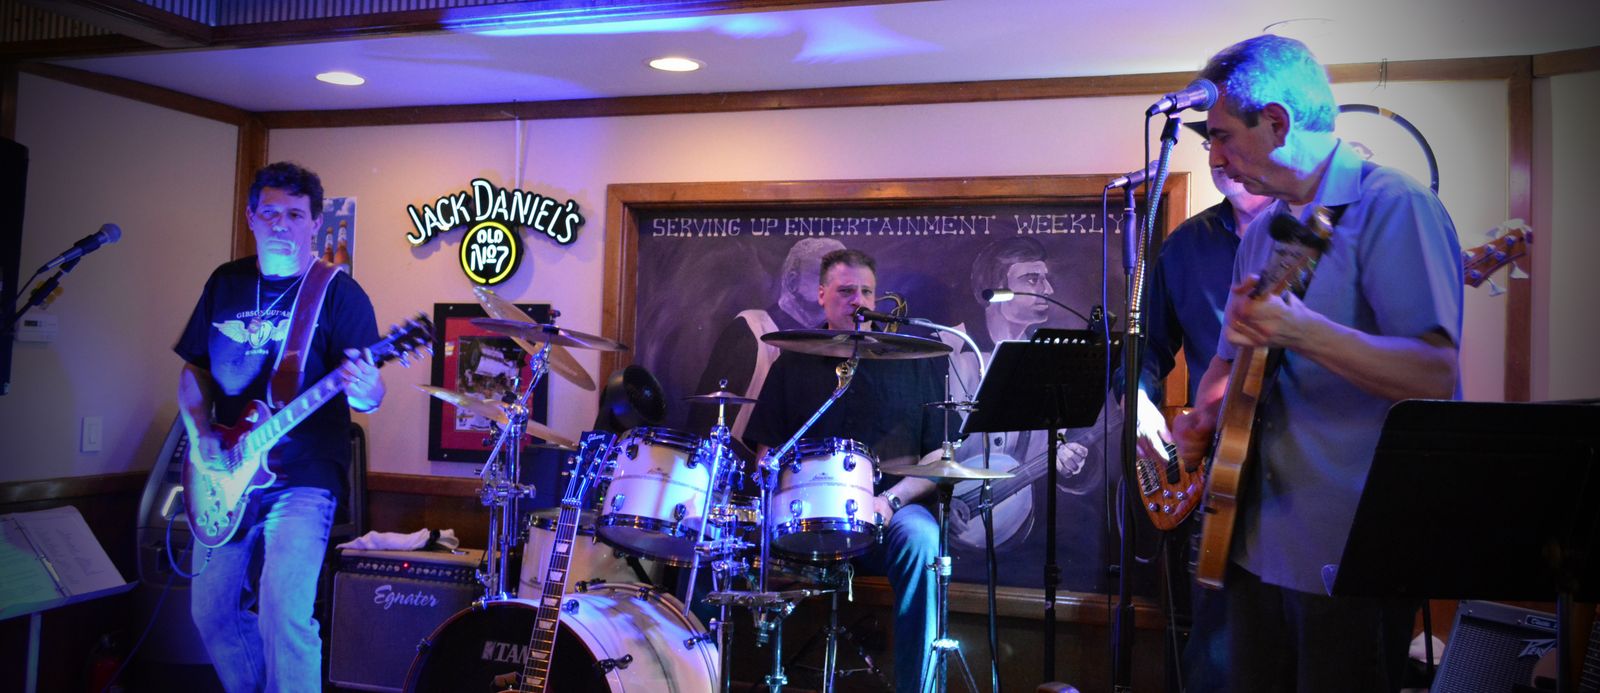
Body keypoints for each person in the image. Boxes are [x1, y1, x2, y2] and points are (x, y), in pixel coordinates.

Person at [1170, 35, 1462, 692]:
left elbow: (1435, 373)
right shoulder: (1262, 233)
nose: (1214, 157)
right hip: (1250, 542)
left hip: (1349, 549)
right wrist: (1202, 421)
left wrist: (1306, 332)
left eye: (1221, 136)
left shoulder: (1395, 206)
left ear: (1276, 122)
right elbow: (1236, 371)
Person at [175, 161, 386, 692]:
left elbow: (369, 393)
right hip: (225, 471)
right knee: (211, 614)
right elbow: (194, 371)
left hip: (304, 478)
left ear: (315, 222)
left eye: (294, 214)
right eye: (270, 213)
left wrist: (367, 389)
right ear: (251, 217)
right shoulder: (225, 282)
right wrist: (200, 435)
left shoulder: (338, 294)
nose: (281, 224)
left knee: (283, 613)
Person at [743, 248, 953, 692]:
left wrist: (888, 501)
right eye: (845, 291)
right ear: (821, 295)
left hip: (889, 514)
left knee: (923, 539)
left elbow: (940, 457)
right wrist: (783, 496)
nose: (858, 301)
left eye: (866, 292)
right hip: (804, 518)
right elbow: (766, 454)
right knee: (715, 541)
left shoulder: (914, 361)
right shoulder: (792, 360)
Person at [1128, 156, 1272, 693]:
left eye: (1226, 137)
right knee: (1210, 649)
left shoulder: (1314, 236)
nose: (1217, 157)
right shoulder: (1186, 244)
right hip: (1214, 471)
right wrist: (1139, 402)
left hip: (1294, 475)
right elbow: (1147, 346)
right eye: (1209, 141)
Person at [690, 237, 845, 442]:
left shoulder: (842, 343)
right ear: (792, 281)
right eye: (825, 276)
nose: (837, 288)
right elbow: (705, 419)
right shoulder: (751, 328)